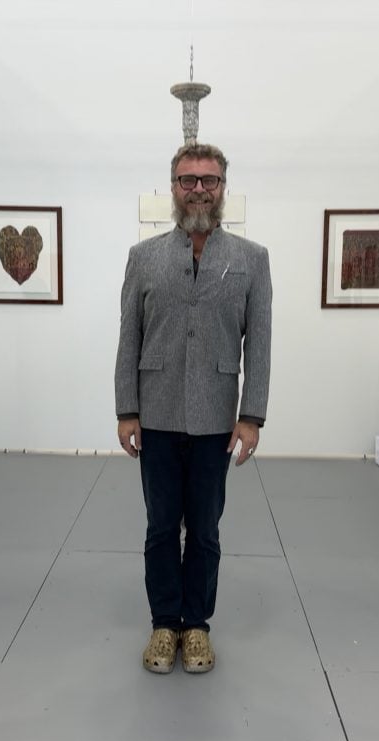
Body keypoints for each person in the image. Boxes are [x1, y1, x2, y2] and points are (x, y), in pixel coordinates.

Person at [114, 143, 272, 674]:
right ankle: (165, 622)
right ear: (173, 188)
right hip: (155, 415)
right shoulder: (144, 258)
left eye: (209, 180)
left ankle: (197, 625)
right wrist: (125, 409)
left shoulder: (252, 260)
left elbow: (260, 344)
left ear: (223, 186)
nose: (198, 189)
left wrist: (251, 415)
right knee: (161, 526)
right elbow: (128, 339)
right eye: (188, 180)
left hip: (215, 421)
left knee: (204, 528)